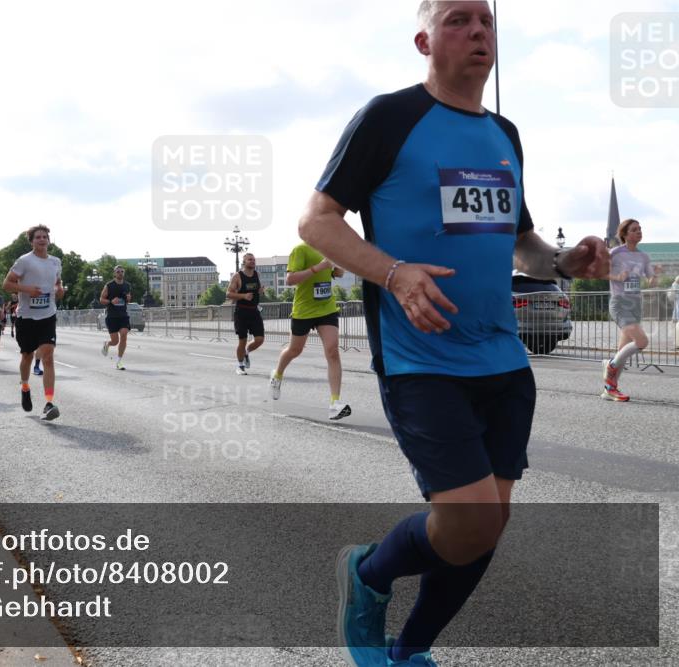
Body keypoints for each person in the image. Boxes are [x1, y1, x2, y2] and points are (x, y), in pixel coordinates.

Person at [298, 3, 608, 665]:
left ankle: (409, 651)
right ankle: (368, 572)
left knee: (485, 528)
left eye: (487, 22)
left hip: (502, 358)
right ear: (424, 39)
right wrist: (394, 273)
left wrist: (563, 263)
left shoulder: (505, 134)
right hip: (422, 359)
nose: (478, 32)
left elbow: (522, 244)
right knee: (466, 521)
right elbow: (317, 222)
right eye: (458, 19)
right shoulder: (389, 117)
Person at [267, 244, 351, 420]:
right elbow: (290, 280)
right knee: (295, 350)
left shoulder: (329, 249)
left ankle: (335, 403)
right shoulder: (301, 250)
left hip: (326, 308)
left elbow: (338, 274)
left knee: (332, 351)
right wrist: (318, 267)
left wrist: (337, 269)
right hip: (304, 310)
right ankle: (277, 375)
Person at [3, 224, 64, 420]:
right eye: (37, 237)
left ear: (49, 240)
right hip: (26, 317)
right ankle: (25, 386)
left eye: (44, 236)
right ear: (31, 241)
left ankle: (48, 403)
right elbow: (7, 284)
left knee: (47, 357)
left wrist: (60, 290)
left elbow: (57, 284)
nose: (41, 239)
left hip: (47, 315)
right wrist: (29, 290)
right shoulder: (24, 261)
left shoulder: (56, 262)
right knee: (27, 356)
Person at [602, 219, 663, 401]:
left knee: (622, 350)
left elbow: (651, 281)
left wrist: (656, 274)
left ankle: (609, 389)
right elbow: (601, 272)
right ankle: (609, 367)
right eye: (634, 230)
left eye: (640, 229)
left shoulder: (643, 257)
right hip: (620, 303)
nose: (639, 232)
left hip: (635, 304)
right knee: (642, 341)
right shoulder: (615, 253)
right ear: (625, 234)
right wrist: (617, 276)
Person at [226, 253, 265, 375]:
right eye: (250, 260)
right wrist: (243, 296)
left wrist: (260, 291)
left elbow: (256, 291)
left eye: (254, 259)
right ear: (244, 262)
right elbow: (228, 294)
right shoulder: (237, 276)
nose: (253, 261)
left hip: (254, 311)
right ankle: (240, 365)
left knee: (259, 339)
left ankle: (246, 352)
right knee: (242, 340)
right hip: (241, 312)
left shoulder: (257, 274)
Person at [99, 265, 131, 370]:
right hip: (112, 316)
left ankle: (119, 361)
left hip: (123, 315)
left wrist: (128, 298)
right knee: (115, 341)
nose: (120, 273)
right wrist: (110, 301)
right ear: (114, 273)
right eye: (118, 271)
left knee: (124, 334)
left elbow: (128, 299)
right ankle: (107, 344)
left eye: (122, 271)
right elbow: (101, 299)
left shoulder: (127, 285)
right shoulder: (109, 285)